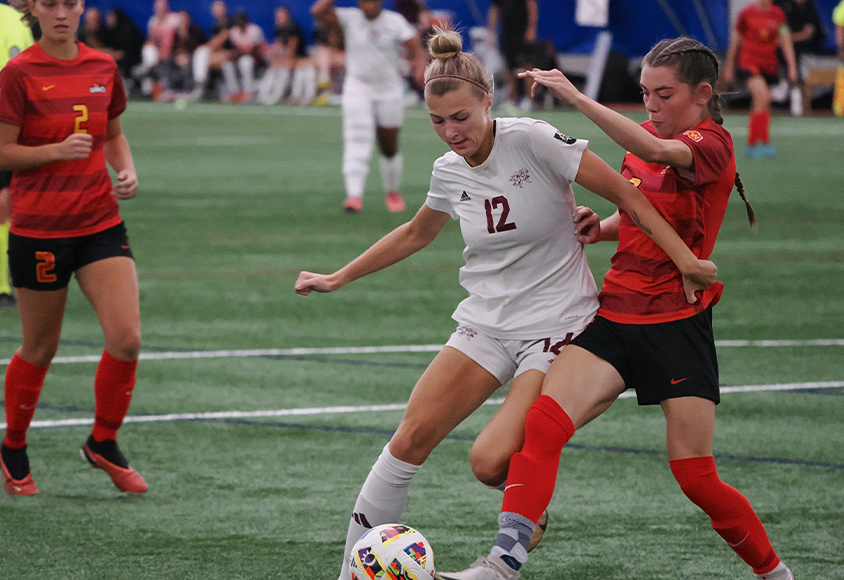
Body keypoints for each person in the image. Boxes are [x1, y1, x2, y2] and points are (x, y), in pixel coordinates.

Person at [295, 27, 717, 580]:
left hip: (557, 327)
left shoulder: (533, 139)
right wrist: (338, 277)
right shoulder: (448, 171)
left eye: (461, 118)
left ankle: (525, 519)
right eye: (438, 122)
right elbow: (416, 233)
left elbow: (628, 194)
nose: (451, 133)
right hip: (486, 323)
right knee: (408, 439)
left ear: (487, 102)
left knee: (489, 461)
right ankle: (352, 572)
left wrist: (685, 258)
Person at [438, 37, 794, 580]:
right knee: (542, 428)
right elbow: (640, 205)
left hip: (677, 324)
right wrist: (599, 228)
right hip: (615, 316)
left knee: (697, 478)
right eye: (644, 92)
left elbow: (658, 158)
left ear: (702, 94)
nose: (650, 105)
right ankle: (503, 563)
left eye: (664, 94)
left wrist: (578, 99)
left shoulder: (713, 143)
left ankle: (775, 573)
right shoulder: (645, 135)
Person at [0, 0, 147, 496]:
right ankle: (13, 445)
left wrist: (125, 169)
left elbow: (113, 133)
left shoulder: (103, 66)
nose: (62, 13)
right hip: (39, 230)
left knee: (126, 339)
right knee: (41, 348)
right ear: (34, 10)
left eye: (71, 3)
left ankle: (103, 441)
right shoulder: (18, 73)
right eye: (51, 4)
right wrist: (53, 152)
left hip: (99, 225)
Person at [310, 0, 426, 214]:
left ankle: (392, 191)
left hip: (388, 89)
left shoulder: (394, 21)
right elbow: (317, 11)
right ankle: (354, 196)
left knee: (388, 145)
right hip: (358, 88)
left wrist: (420, 62)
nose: (367, 5)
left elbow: (413, 43)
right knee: (356, 139)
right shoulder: (350, 17)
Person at [0, 0, 34, 310]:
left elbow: (31, 70)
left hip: (3, 127)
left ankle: (1, 287)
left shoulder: (15, 20)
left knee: (3, 202)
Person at [723, 0, 798, 158]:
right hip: (748, 63)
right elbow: (736, 40)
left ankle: (753, 143)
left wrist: (792, 66)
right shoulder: (746, 14)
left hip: (769, 65)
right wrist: (729, 65)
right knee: (763, 96)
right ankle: (763, 142)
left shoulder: (778, 14)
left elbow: (785, 40)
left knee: (761, 102)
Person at [773, 0, 825, 114]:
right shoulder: (780, 6)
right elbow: (779, 34)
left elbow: (809, 33)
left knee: (798, 63)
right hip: (778, 52)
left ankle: (793, 91)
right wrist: (786, 39)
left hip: (804, 51)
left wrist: (789, 38)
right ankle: (784, 85)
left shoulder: (809, 7)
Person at [486, 0, 538, 112]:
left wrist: (531, 27)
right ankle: (512, 100)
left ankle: (529, 99)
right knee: (510, 67)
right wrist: (491, 30)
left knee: (526, 65)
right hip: (507, 33)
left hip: (522, 31)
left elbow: (531, 5)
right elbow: (495, 8)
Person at [259, 6, 316, 106]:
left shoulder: (293, 28)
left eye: (281, 15)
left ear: (287, 16)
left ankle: (280, 97)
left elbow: (292, 53)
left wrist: (282, 62)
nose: (278, 18)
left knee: (284, 71)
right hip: (285, 61)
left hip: (298, 60)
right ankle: (264, 96)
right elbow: (278, 47)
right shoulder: (278, 29)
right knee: (273, 69)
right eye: (277, 15)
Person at [134, 0, 179, 100]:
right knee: (148, 49)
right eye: (158, 7)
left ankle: (148, 72)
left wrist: (162, 52)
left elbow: (171, 43)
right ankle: (149, 83)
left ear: (167, 7)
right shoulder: (153, 21)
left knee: (154, 55)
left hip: (172, 53)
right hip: (158, 54)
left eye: (162, 7)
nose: (160, 9)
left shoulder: (174, 19)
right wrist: (157, 52)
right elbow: (151, 41)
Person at [158, 10, 206, 101]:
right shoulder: (175, 33)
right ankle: (169, 90)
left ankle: (189, 91)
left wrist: (186, 55)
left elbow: (199, 48)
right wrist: (178, 56)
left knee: (189, 62)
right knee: (168, 61)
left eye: (184, 19)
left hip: (192, 58)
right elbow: (172, 48)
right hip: (177, 58)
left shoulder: (195, 31)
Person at [222, 8, 266, 104]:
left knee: (245, 62)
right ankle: (235, 91)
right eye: (238, 20)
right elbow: (235, 49)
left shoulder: (255, 30)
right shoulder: (234, 32)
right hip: (240, 57)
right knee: (227, 64)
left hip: (257, 59)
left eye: (242, 20)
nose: (240, 22)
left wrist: (239, 52)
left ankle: (248, 92)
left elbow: (253, 50)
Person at [103, 7, 145, 91]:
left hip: (135, 59)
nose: (109, 20)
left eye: (111, 18)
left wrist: (115, 55)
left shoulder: (128, 31)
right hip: (123, 59)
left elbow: (126, 52)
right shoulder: (111, 32)